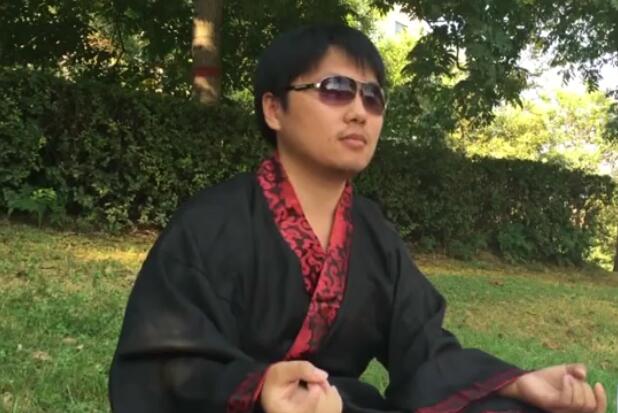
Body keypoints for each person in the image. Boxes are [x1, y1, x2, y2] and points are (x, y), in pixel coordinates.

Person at [108, 24, 608, 413]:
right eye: (335, 89)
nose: (359, 112)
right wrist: (260, 390)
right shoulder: (209, 225)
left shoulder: (373, 234)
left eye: (373, 97)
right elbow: (163, 366)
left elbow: (426, 351)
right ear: (274, 109)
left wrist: (518, 383)